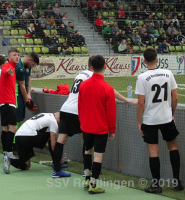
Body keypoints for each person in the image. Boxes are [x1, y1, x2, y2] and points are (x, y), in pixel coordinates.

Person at [52, 56, 137, 179]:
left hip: (65, 108)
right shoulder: (92, 76)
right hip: (76, 110)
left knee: (61, 139)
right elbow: (110, 90)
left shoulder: (80, 74)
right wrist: (125, 99)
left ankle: (56, 170)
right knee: (88, 142)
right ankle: (87, 170)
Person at [135, 48, 184, 193]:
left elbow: (140, 103)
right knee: (173, 147)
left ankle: (156, 185)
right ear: (157, 59)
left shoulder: (142, 77)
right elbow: (175, 98)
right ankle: (176, 182)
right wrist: (172, 113)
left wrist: (139, 121)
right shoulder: (168, 73)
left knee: (153, 152)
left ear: (144, 61)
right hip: (166, 117)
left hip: (150, 120)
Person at [78, 55, 116, 194]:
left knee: (88, 151)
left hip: (86, 125)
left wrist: (82, 124)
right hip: (101, 128)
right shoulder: (107, 88)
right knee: (98, 156)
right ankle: (94, 184)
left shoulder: (83, 84)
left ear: (91, 67)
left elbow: (80, 106)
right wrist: (112, 129)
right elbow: (111, 112)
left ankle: (87, 179)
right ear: (105, 67)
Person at [13, 53, 39, 153]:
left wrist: (29, 94)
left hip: (22, 94)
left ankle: (18, 141)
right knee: (16, 119)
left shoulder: (27, 67)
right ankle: (14, 145)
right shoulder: (19, 67)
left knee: (21, 118)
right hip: (16, 95)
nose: (32, 67)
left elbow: (28, 80)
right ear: (29, 60)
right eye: (32, 64)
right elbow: (21, 86)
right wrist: (26, 99)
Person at [0, 48, 20, 158]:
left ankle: (6, 153)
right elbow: (4, 71)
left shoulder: (13, 67)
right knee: (12, 128)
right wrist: (8, 72)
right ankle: (9, 152)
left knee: (6, 128)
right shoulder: (8, 66)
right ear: (9, 57)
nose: (17, 56)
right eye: (14, 55)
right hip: (8, 102)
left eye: (18, 55)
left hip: (5, 102)